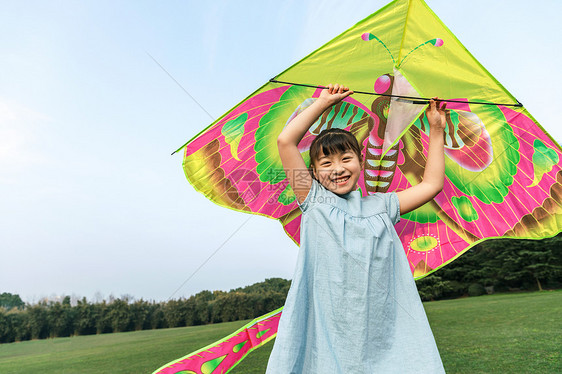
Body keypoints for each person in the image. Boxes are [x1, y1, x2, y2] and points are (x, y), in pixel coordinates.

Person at [266, 84, 447, 373]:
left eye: (346, 158)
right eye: (326, 162)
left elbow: (431, 184)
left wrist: (436, 130)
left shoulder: (383, 206)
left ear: (360, 162)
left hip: (378, 323)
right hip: (328, 322)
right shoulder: (313, 200)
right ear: (312, 173)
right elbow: (286, 141)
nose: (337, 168)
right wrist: (323, 102)